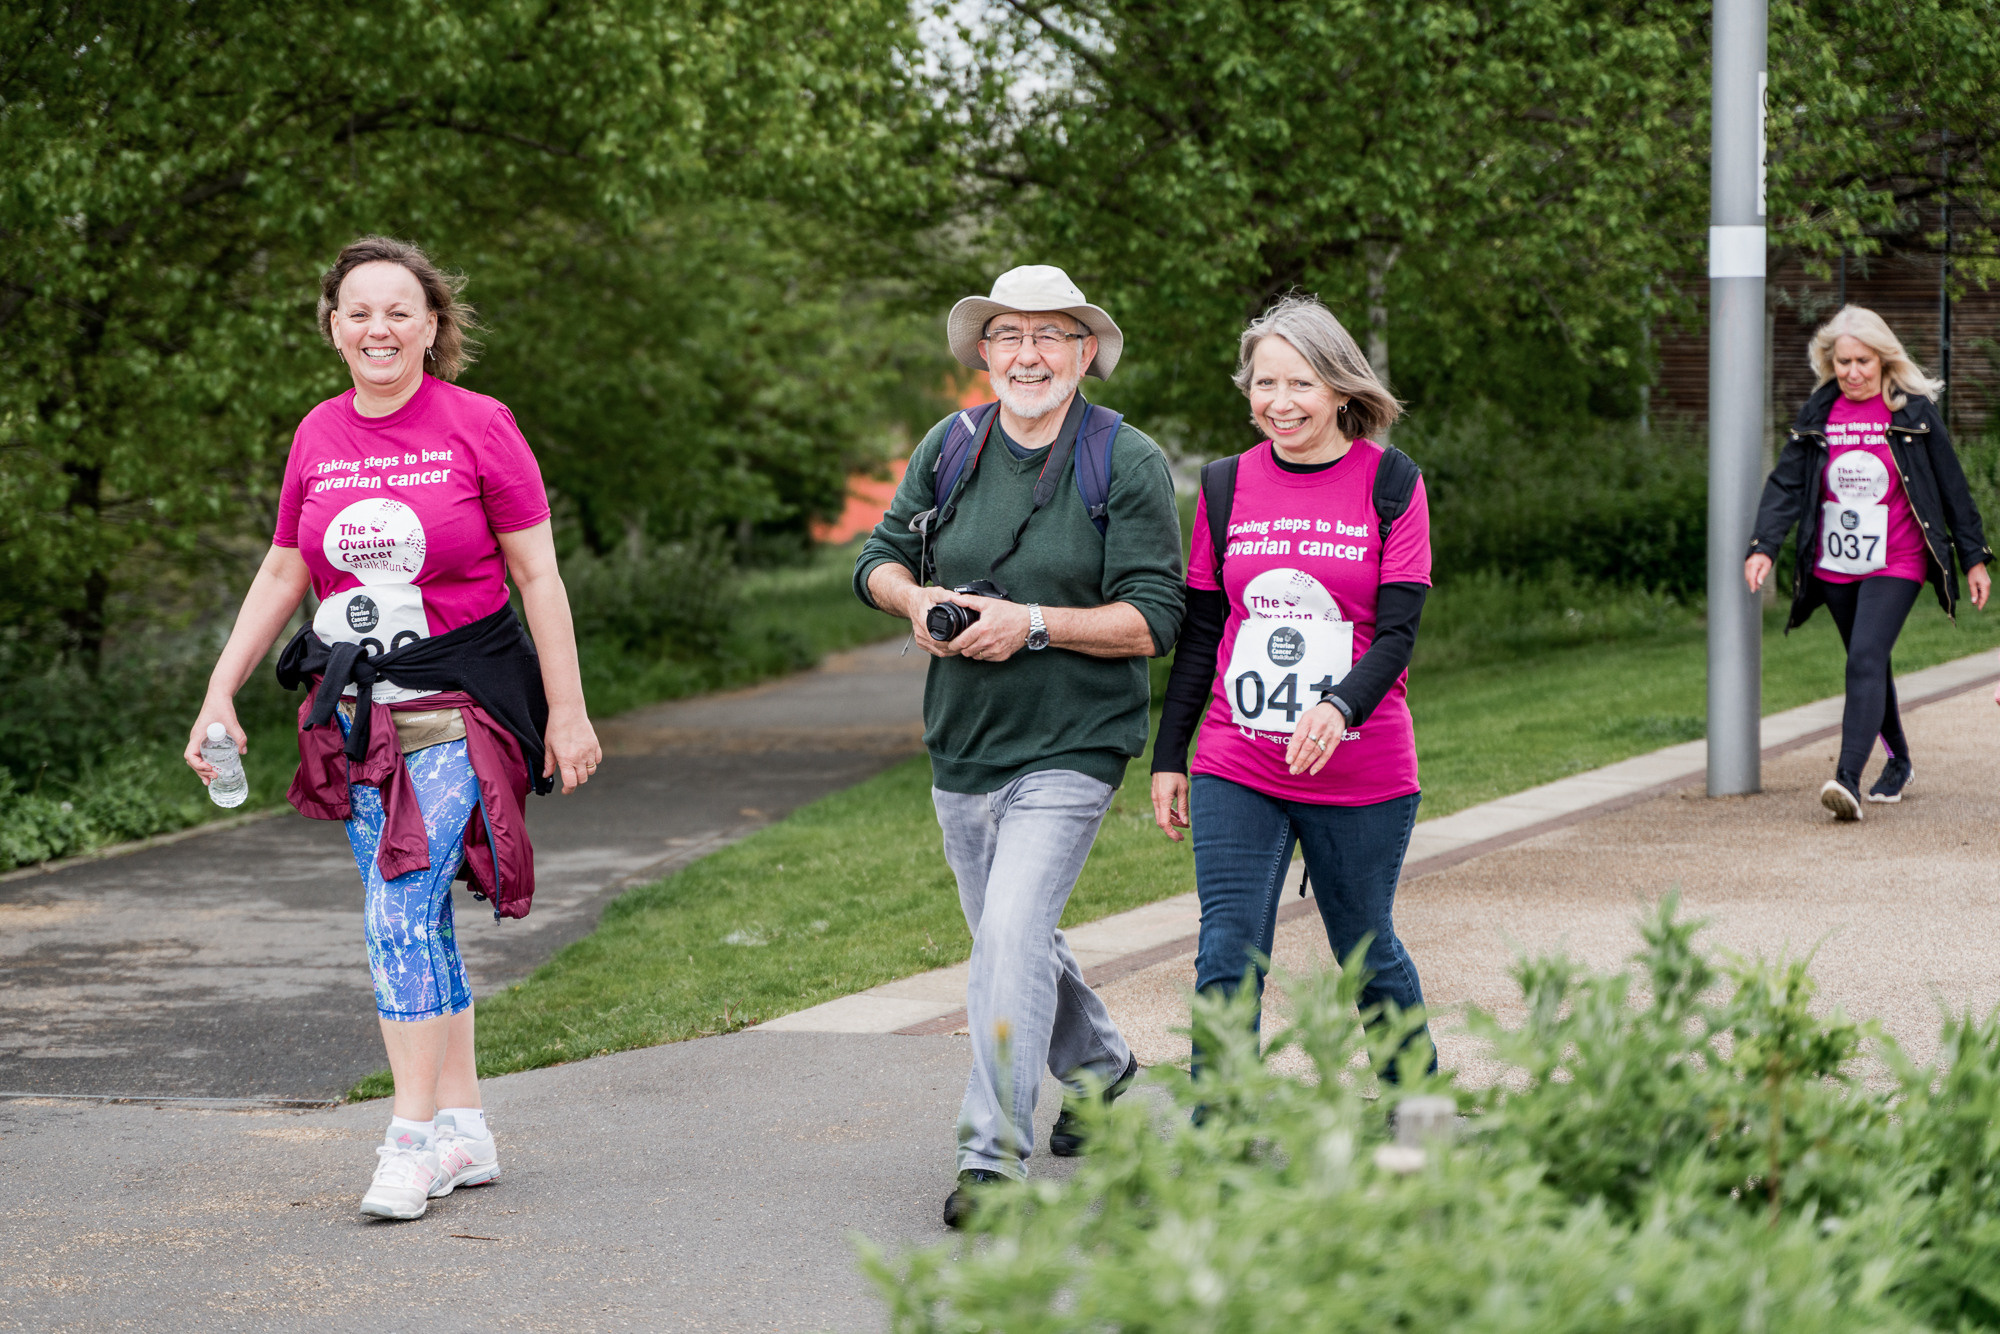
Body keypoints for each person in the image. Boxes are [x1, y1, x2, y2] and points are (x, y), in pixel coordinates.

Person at [184, 236, 601, 1220]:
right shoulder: (317, 435)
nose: (378, 327)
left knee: (398, 905)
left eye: (398, 310)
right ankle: (463, 1126)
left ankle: (409, 1137)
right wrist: (218, 690)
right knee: (411, 910)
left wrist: (570, 708)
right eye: (358, 311)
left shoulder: (479, 424)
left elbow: (537, 574)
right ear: (333, 326)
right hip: (357, 708)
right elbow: (287, 569)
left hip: (464, 695)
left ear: (430, 325)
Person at [854, 265, 1185, 1227]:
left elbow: (1155, 618)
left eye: (1050, 336)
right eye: (1008, 337)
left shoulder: (1123, 459)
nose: (1028, 355)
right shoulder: (949, 447)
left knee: (1006, 935)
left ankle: (991, 1162)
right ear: (984, 353)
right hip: (963, 739)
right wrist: (914, 599)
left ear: (1085, 352)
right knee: (1011, 935)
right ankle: (1102, 1068)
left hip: (1076, 739)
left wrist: (1032, 623)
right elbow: (876, 558)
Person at [1150, 293, 1436, 1084]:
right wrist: (1169, 754)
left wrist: (1338, 706)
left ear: (1342, 388)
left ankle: (1418, 1112)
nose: (1281, 403)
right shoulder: (1222, 487)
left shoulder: (1393, 483)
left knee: (1365, 950)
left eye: (1301, 384)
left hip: (1360, 766)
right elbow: (1205, 632)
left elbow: (1398, 635)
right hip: (1237, 759)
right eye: (1264, 384)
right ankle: (1221, 1133)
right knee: (1226, 950)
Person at [1747, 304, 1991, 820]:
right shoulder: (1819, 412)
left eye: (1863, 361)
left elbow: (1952, 488)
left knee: (1862, 657)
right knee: (1869, 662)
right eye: (1843, 362)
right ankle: (1899, 760)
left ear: (1883, 360)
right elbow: (1787, 484)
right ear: (1829, 363)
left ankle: (1847, 779)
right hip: (1835, 563)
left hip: (1898, 557)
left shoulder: (1912, 411)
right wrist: (1763, 545)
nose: (1853, 372)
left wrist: (1973, 557)